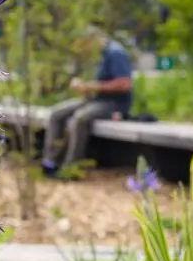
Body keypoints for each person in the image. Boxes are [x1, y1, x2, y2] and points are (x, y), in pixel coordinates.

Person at [41, 31, 135, 176]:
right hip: (95, 100)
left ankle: (71, 168)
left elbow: (125, 84)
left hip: (115, 103)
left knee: (80, 118)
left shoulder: (116, 53)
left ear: (93, 40)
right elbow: (92, 82)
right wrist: (80, 84)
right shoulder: (95, 57)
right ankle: (50, 162)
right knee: (56, 114)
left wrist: (93, 86)